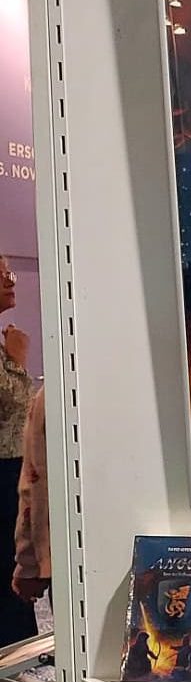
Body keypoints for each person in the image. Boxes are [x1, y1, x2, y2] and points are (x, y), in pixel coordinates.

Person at [0, 258, 36, 645]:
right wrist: (18, 361)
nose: (11, 281)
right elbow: (12, 403)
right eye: (2, 275)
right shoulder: (11, 348)